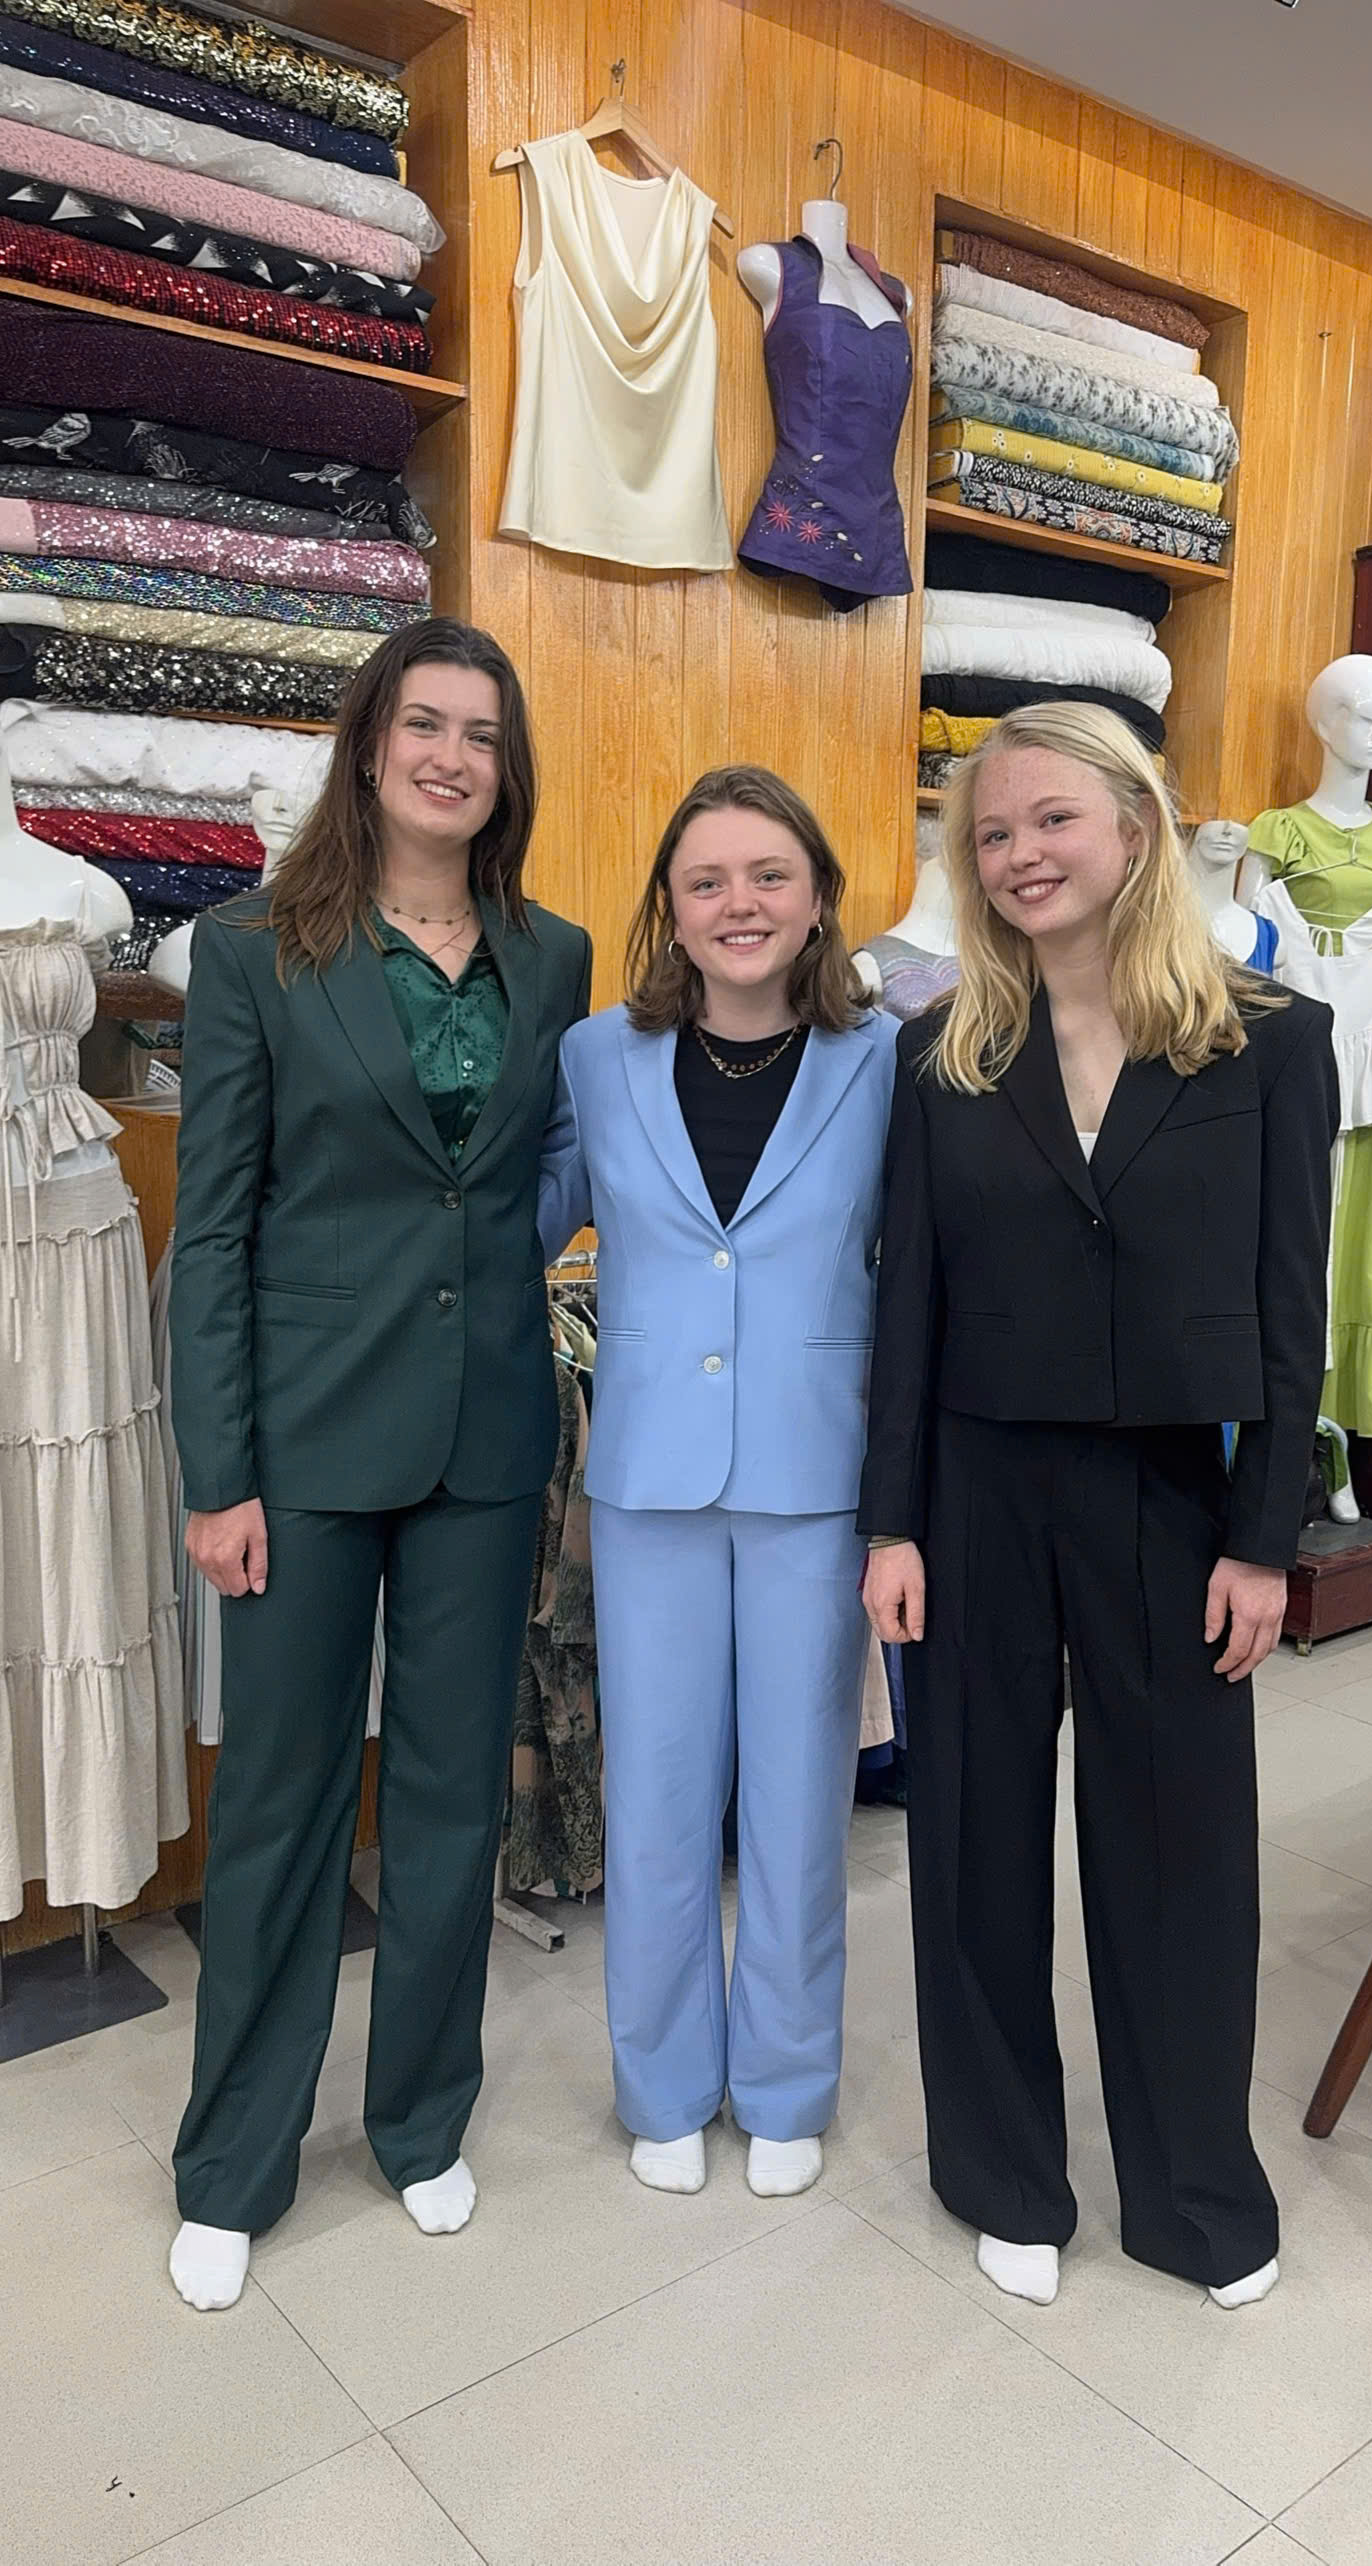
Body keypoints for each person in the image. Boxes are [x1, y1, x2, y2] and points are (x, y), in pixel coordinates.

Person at [860, 703, 1338, 2312]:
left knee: (1177, 1848)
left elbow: (1289, 1312)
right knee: (975, 1838)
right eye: (990, 834)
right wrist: (891, 1522)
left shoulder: (1270, 1041)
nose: (1019, 855)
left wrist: (1264, 1537)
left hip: (1168, 1493)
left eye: (1049, 820)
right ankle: (1002, 2170)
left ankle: (1194, 2194)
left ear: (1133, 827)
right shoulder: (940, 1054)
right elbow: (906, 1305)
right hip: (975, 1487)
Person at [166, 619, 591, 2311]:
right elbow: (213, 1232)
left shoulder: (548, 955)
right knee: (278, 1803)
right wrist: (217, 1473)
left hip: (484, 1434)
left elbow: (533, 1177)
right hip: (304, 1440)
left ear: (506, 768)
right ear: (367, 743)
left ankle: (418, 2121)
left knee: (444, 1797)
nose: (449, 756)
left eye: (480, 734)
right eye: (424, 724)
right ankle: (233, 2161)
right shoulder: (253, 950)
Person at [540, 767, 897, 2199]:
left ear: (816, 899)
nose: (738, 903)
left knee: (801, 1798)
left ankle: (788, 2079)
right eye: (706, 881)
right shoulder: (595, 1056)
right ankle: (666, 2081)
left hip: (817, 1472)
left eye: (768, 875)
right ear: (670, 910)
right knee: (661, 1793)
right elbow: (520, 1219)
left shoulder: (887, 1059)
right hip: (647, 1477)